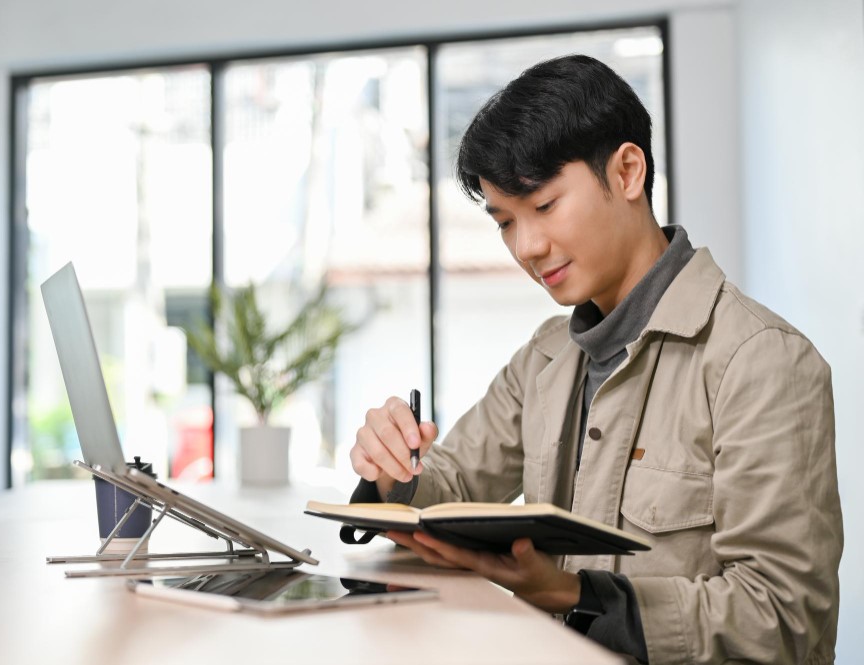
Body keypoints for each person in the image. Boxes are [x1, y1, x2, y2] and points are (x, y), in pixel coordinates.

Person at [348, 54, 843, 664]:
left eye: (546, 206)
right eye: (505, 221)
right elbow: (449, 489)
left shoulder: (760, 361)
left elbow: (783, 615)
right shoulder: (544, 359)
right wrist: (394, 473)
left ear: (628, 171)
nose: (527, 246)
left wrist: (576, 595)